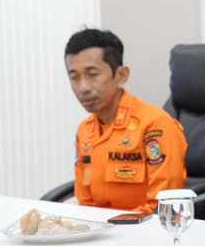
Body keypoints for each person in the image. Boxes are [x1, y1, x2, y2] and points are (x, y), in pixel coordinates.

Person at [65, 28, 187, 214]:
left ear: (121, 75)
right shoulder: (85, 130)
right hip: (100, 228)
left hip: (144, 227)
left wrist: (112, 226)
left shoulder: (155, 125)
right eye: (74, 77)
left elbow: (163, 206)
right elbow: (86, 203)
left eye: (92, 74)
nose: (83, 88)